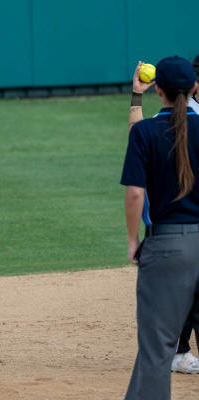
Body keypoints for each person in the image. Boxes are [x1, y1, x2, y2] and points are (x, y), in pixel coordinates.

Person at [121, 56, 199, 399]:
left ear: (159, 89)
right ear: (194, 87)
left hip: (167, 246)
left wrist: (133, 240)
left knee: (156, 350)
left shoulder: (147, 131)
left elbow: (135, 192)